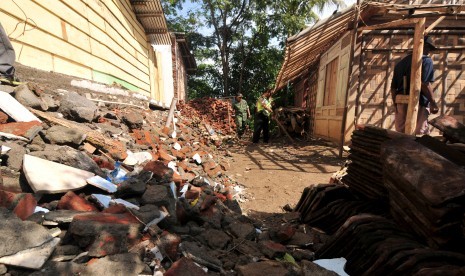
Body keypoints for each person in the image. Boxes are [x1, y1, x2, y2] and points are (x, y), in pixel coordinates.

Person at [390, 36, 439, 135]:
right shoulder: (426, 61)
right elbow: (424, 84)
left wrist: (396, 104)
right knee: (419, 134)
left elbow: (393, 88)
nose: (429, 52)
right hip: (418, 102)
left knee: (401, 133)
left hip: (401, 101)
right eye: (429, 48)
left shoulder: (400, 64)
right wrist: (433, 102)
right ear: (424, 47)